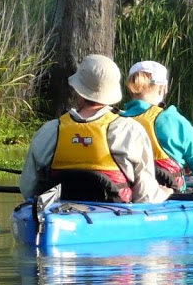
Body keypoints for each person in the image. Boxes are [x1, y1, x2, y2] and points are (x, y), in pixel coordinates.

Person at [20, 54, 172, 204]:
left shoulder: (49, 131)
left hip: (58, 212)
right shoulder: (129, 130)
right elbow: (145, 197)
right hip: (115, 216)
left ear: (78, 89)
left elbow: (28, 190)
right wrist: (165, 193)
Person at [121, 60, 193, 192]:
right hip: (169, 195)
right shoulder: (172, 120)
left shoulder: (116, 120)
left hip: (127, 196)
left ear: (131, 90)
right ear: (163, 88)